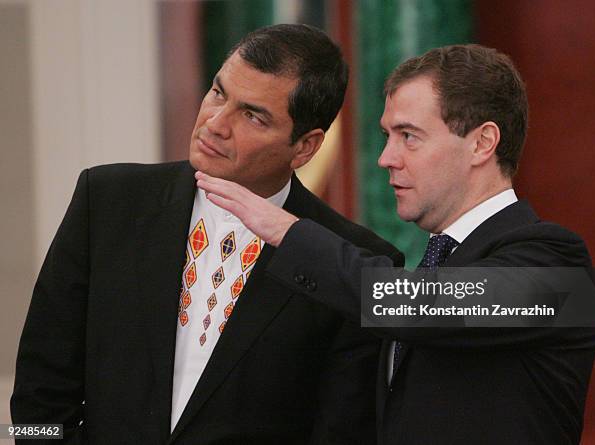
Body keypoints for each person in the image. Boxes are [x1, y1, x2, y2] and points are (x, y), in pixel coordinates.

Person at [11, 24, 403, 444]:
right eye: (218, 93)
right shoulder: (106, 201)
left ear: (305, 147)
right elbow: (41, 389)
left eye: (252, 115)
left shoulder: (353, 261)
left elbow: (342, 432)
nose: (215, 124)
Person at [196, 44, 595, 444]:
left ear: (482, 143)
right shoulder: (429, 267)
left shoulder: (559, 265)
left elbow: (424, 307)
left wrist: (290, 232)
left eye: (409, 136)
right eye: (387, 136)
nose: (386, 158)